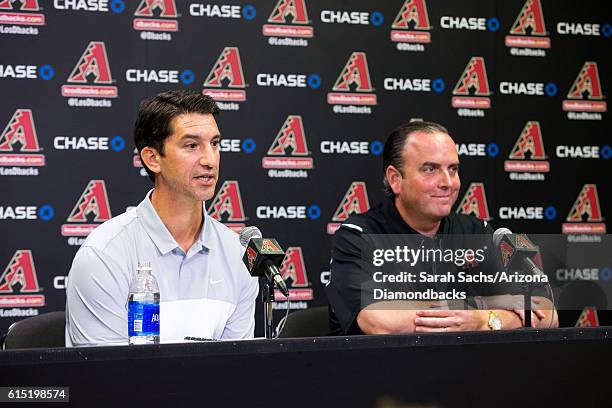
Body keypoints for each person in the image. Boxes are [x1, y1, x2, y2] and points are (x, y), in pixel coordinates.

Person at [325, 121, 558, 335]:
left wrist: (483, 321)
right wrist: (487, 304)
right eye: (430, 169)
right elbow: (380, 321)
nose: (448, 182)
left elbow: (547, 313)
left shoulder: (479, 231)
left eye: (453, 169)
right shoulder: (357, 235)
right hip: (381, 374)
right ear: (395, 179)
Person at [65, 89, 259, 346]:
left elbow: (238, 370)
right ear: (152, 158)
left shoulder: (238, 254)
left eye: (214, 143)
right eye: (192, 146)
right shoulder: (104, 254)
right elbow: (104, 377)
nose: (210, 160)